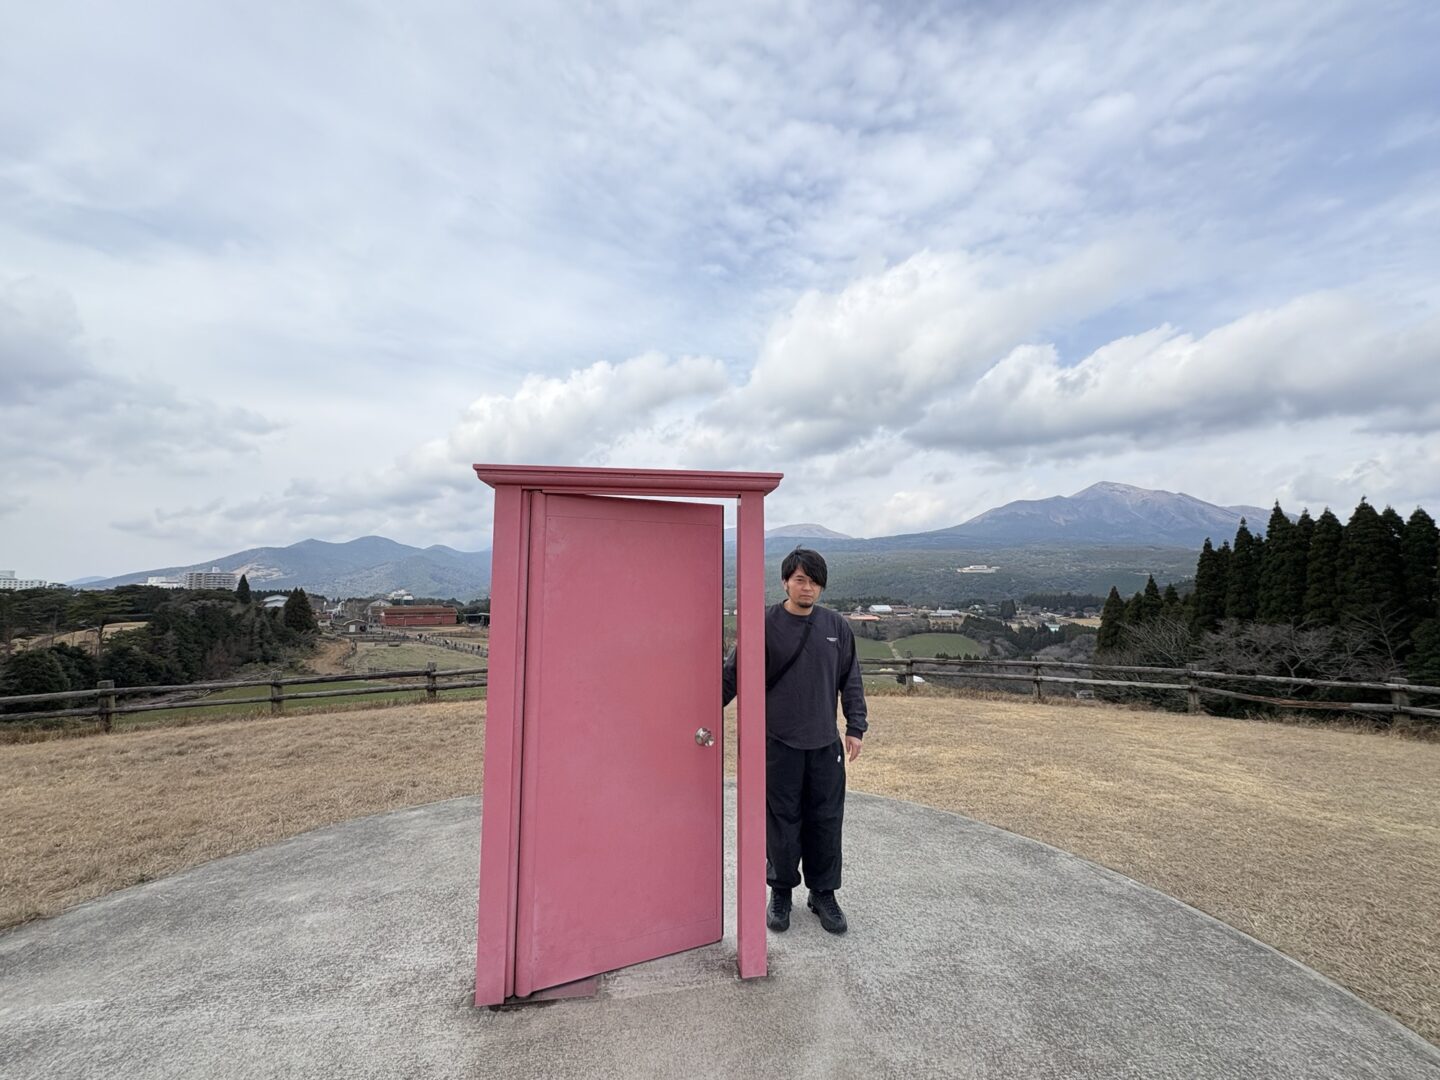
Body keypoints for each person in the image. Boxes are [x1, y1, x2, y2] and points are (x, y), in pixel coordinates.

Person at [722, 547, 868, 935]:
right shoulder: (764, 624)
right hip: (779, 743)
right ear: (785, 581)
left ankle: (823, 894)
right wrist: (699, 711)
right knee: (781, 823)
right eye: (800, 579)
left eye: (815, 582)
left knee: (826, 822)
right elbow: (733, 674)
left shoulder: (836, 626)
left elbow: (850, 679)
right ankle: (781, 891)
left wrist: (856, 726)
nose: (808, 588)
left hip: (824, 744)